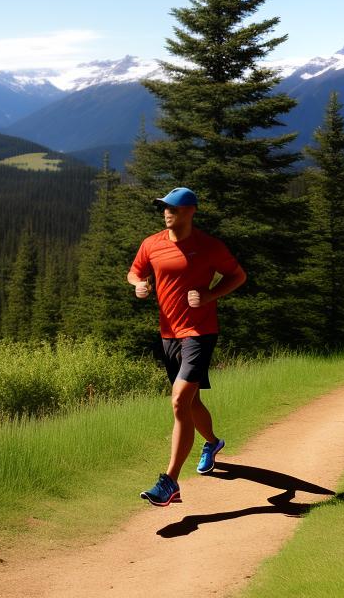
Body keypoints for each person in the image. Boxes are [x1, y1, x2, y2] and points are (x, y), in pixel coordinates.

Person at [128, 187, 247, 506]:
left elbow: (237, 276)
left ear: (190, 211)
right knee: (191, 403)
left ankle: (170, 482)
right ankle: (212, 442)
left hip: (200, 332)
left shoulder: (209, 246)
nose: (167, 212)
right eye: (164, 208)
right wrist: (139, 285)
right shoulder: (151, 244)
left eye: (174, 208)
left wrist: (209, 295)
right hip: (168, 334)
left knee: (179, 401)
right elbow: (134, 271)